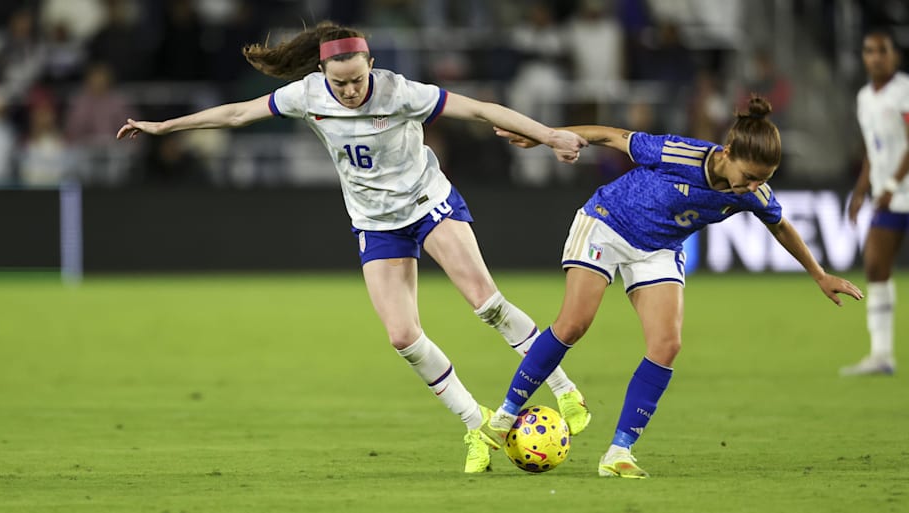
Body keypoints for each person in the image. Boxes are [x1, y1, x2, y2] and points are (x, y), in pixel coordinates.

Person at [116, 21, 591, 473]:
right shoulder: (306, 95)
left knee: (486, 304)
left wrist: (548, 135)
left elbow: (482, 109)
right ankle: (476, 425)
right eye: (339, 84)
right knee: (403, 337)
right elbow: (238, 113)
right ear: (323, 74)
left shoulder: (399, 91)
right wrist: (164, 127)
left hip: (429, 204)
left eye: (357, 80)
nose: (349, 91)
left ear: (371, 64)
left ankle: (564, 388)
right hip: (376, 224)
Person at [481, 96, 864, 478]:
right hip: (606, 223)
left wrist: (819, 274)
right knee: (573, 324)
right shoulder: (679, 153)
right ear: (727, 153)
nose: (753, 187)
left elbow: (780, 225)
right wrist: (546, 137)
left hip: (658, 249)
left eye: (763, 179)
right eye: (748, 176)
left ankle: (619, 452)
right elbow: (611, 137)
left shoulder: (754, 193)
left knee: (667, 345)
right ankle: (506, 415)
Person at [842, 30, 909, 376]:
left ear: (894, 56)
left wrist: (894, 182)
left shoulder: (905, 91)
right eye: (869, 51)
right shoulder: (865, 97)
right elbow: (872, 148)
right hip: (888, 196)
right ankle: (882, 355)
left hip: (900, 189)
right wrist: (861, 188)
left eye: (882, 51)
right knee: (874, 267)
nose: (876, 57)